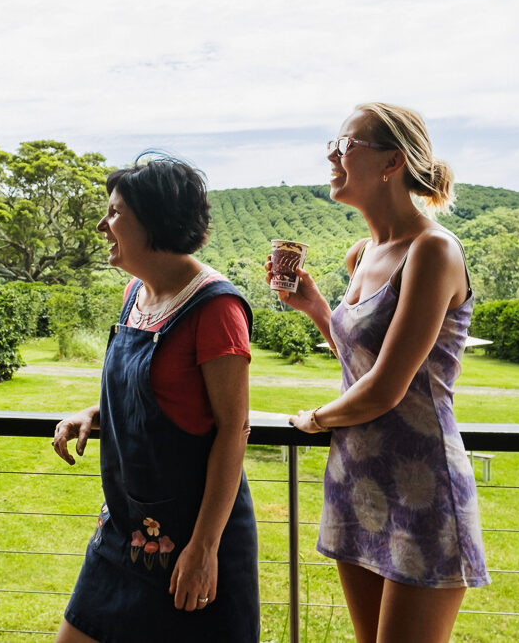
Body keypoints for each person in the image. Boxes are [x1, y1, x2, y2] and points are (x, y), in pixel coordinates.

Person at [270, 103, 489, 642]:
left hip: (423, 491)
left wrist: (316, 419)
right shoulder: (361, 254)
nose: (331, 154)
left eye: (345, 145)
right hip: (358, 482)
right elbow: (361, 363)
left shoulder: (433, 250)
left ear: (392, 162)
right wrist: (319, 311)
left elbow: (388, 387)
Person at [51, 154, 260, 642]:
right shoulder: (135, 294)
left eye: (116, 213)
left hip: (193, 544)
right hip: (123, 532)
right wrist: (93, 413)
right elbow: (159, 398)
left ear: (155, 221)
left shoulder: (217, 308)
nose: (104, 226)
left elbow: (234, 430)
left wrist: (204, 549)